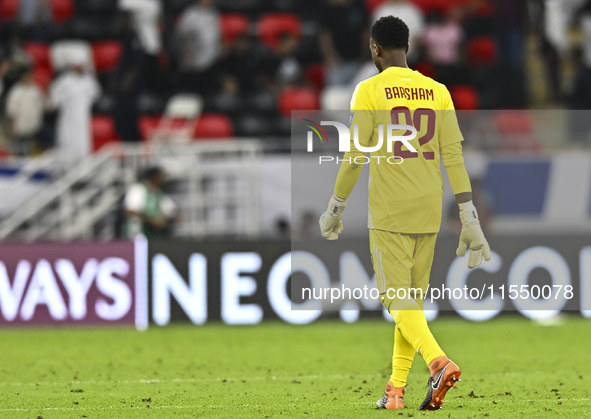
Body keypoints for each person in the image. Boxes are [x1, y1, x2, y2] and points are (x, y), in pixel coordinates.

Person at [318, 16, 491, 411]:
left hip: (390, 211)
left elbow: (354, 156)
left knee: (397, 300)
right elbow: (453, 157)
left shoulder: (369, 90)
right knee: (409, 301)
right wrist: (469, 216)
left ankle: (438, 362)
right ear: (407, 47)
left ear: (375, 49)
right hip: (429, 208)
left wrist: (334, 209)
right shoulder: (438, 91)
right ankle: (395, 391)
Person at [48, 55, 101, 159]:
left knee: (83, 146)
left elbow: (96, 94)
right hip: (67, 121)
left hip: (82, 121)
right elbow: (53, 103)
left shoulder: (89, 81)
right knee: (66, 146)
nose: (79, 68)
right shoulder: (62, 82)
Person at [176, 0, 221, 94]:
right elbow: (183, 39)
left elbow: (217, 35)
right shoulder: (190, 14)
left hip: (212, 62)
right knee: (194, 94)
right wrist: (189, 59)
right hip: (195, 64)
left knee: (210, 95)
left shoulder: (214, 13)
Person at [319, 0, 369, 86]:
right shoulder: (328, 9)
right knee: (336, 90)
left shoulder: (359, 6)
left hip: (358, 60)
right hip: (338, 62)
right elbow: (324, 35)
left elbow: (365, 32)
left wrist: (365, 54)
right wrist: (330, 56)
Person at [123, 166, 179, 239]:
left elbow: (173, 213)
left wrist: (166, 220)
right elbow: (130, 211)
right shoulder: (138, 189)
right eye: (161, 176)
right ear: (154, 177)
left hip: (156, 237)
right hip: (137, 236)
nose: (164, 179)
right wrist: (152, 221)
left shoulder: (160, 194)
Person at [5, 67, 45, 156]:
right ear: (22, 77)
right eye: (27, 76)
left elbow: (42, 106)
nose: (29, 78)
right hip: (20, 130)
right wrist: (13, 129)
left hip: (34, 129)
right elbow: (11, 112)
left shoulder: (36, 90)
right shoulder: (16, 92)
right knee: (21, 154)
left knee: (33, 153)